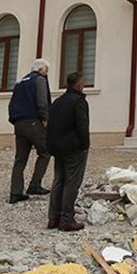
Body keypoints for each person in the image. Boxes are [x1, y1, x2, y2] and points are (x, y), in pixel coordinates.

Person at [46, 71, 90, 231]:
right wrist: (85, 145)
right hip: (74, 148)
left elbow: (50, 125)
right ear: (79, 85)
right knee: (72, 182)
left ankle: (53, 217)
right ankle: (67, 219)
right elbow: (82, 126)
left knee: (59, 180)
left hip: (58, 147)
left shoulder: (57, 102)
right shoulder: (79, 102)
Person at [7, 58, 52, 203]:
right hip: (33, 121)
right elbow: (42, 101)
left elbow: (11, 103)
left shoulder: (20, 81)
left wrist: (14, 119)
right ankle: (35, 185)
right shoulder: (39, 80)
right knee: (45, 151)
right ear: (41, 69)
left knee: (20, 158)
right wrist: (45, 119)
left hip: (18, 123)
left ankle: (15, 192)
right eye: (46, 70)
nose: (47, 74)